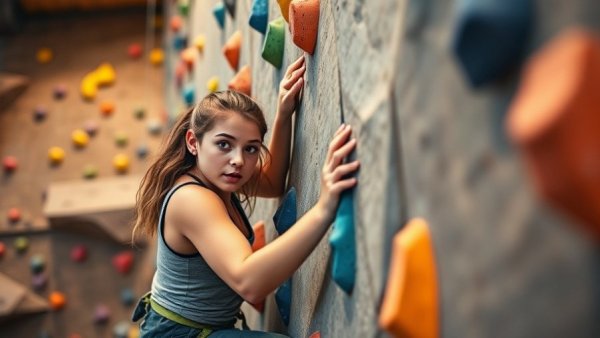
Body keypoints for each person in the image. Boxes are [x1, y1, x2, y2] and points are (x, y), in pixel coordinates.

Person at [131, 56, 359, 337]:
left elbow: (273, 183)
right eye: (224, 144)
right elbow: (248, 281)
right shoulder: (191, 199)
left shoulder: (218, 173)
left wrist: (284, 114)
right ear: (194, 142)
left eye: (251, 148)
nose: (238, 160)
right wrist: (324, 208)